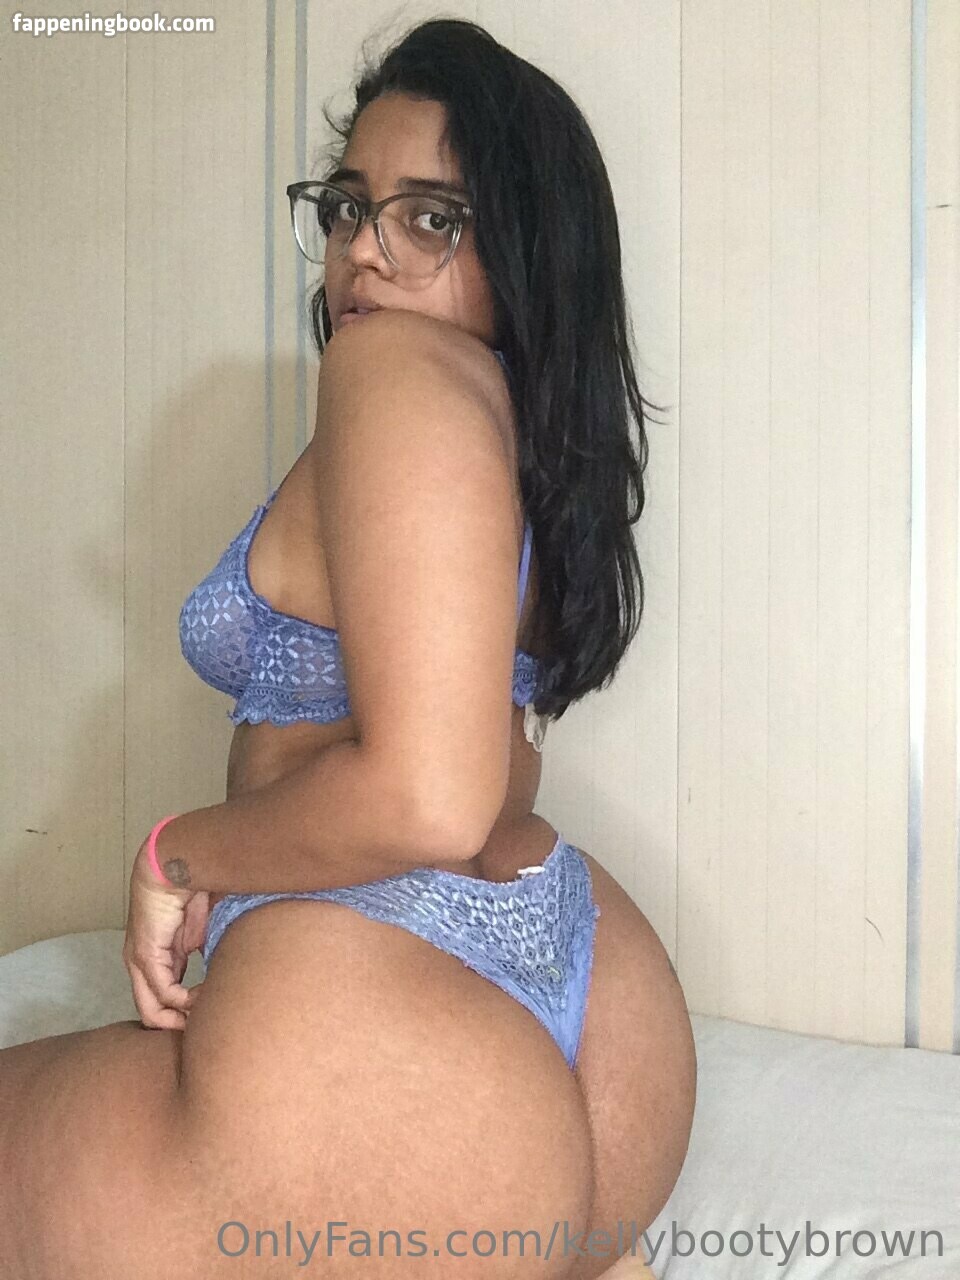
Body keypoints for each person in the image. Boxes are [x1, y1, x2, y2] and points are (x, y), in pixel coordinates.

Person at [0, 18, 695, 1279]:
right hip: (584, 1002)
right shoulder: (526, 433)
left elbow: (431, 796)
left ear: (528, 249)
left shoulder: (392, 374)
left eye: (431, 217)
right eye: (346, 206)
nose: (363, 250)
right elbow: (490, 767)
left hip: (383, 1031)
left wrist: (175, 852)